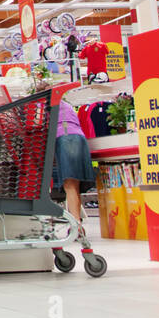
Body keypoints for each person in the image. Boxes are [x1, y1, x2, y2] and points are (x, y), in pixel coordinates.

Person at [52, 98, 95, 229]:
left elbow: (36, 124)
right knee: (75, 186)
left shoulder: (45, 103)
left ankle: (76, 225)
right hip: (79, 138)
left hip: (65, 138)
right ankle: (77, 223)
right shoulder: (66, 105)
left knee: (69, 185)